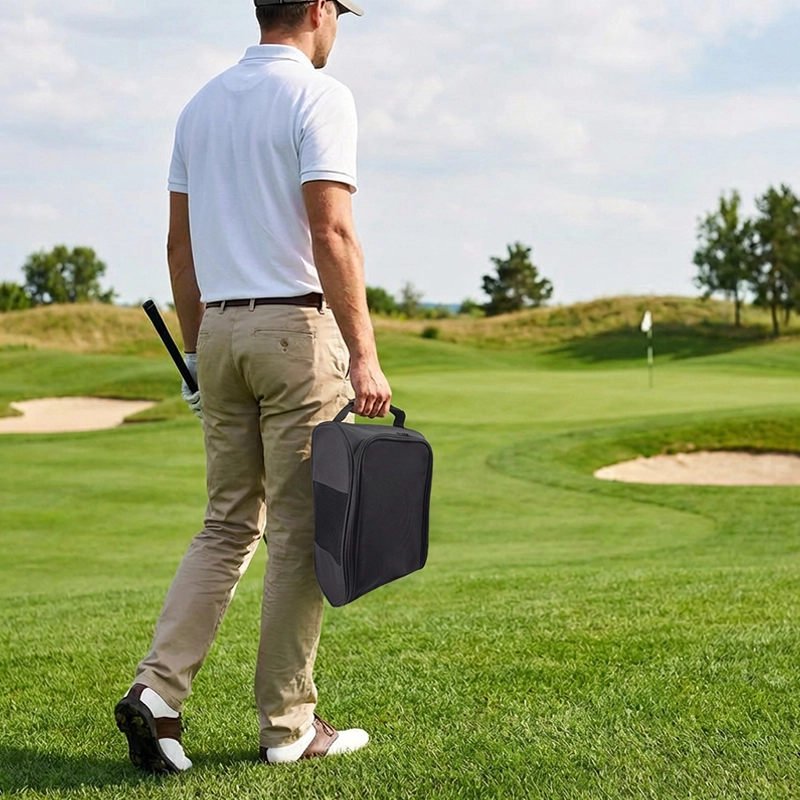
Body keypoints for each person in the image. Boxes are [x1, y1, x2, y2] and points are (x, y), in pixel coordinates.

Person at [114, 0, 391, 773]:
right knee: (299, 532)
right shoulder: (321, 96)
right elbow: (331, 231)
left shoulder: (199, 106)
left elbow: (180, 246)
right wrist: (365, 354)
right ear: (316, 9)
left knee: (227, 523)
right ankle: (289, 727)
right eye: (340, 11)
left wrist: (197, 351)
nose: (339, 26)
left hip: (220, 334)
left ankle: (158, 694)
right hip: (295, 333)